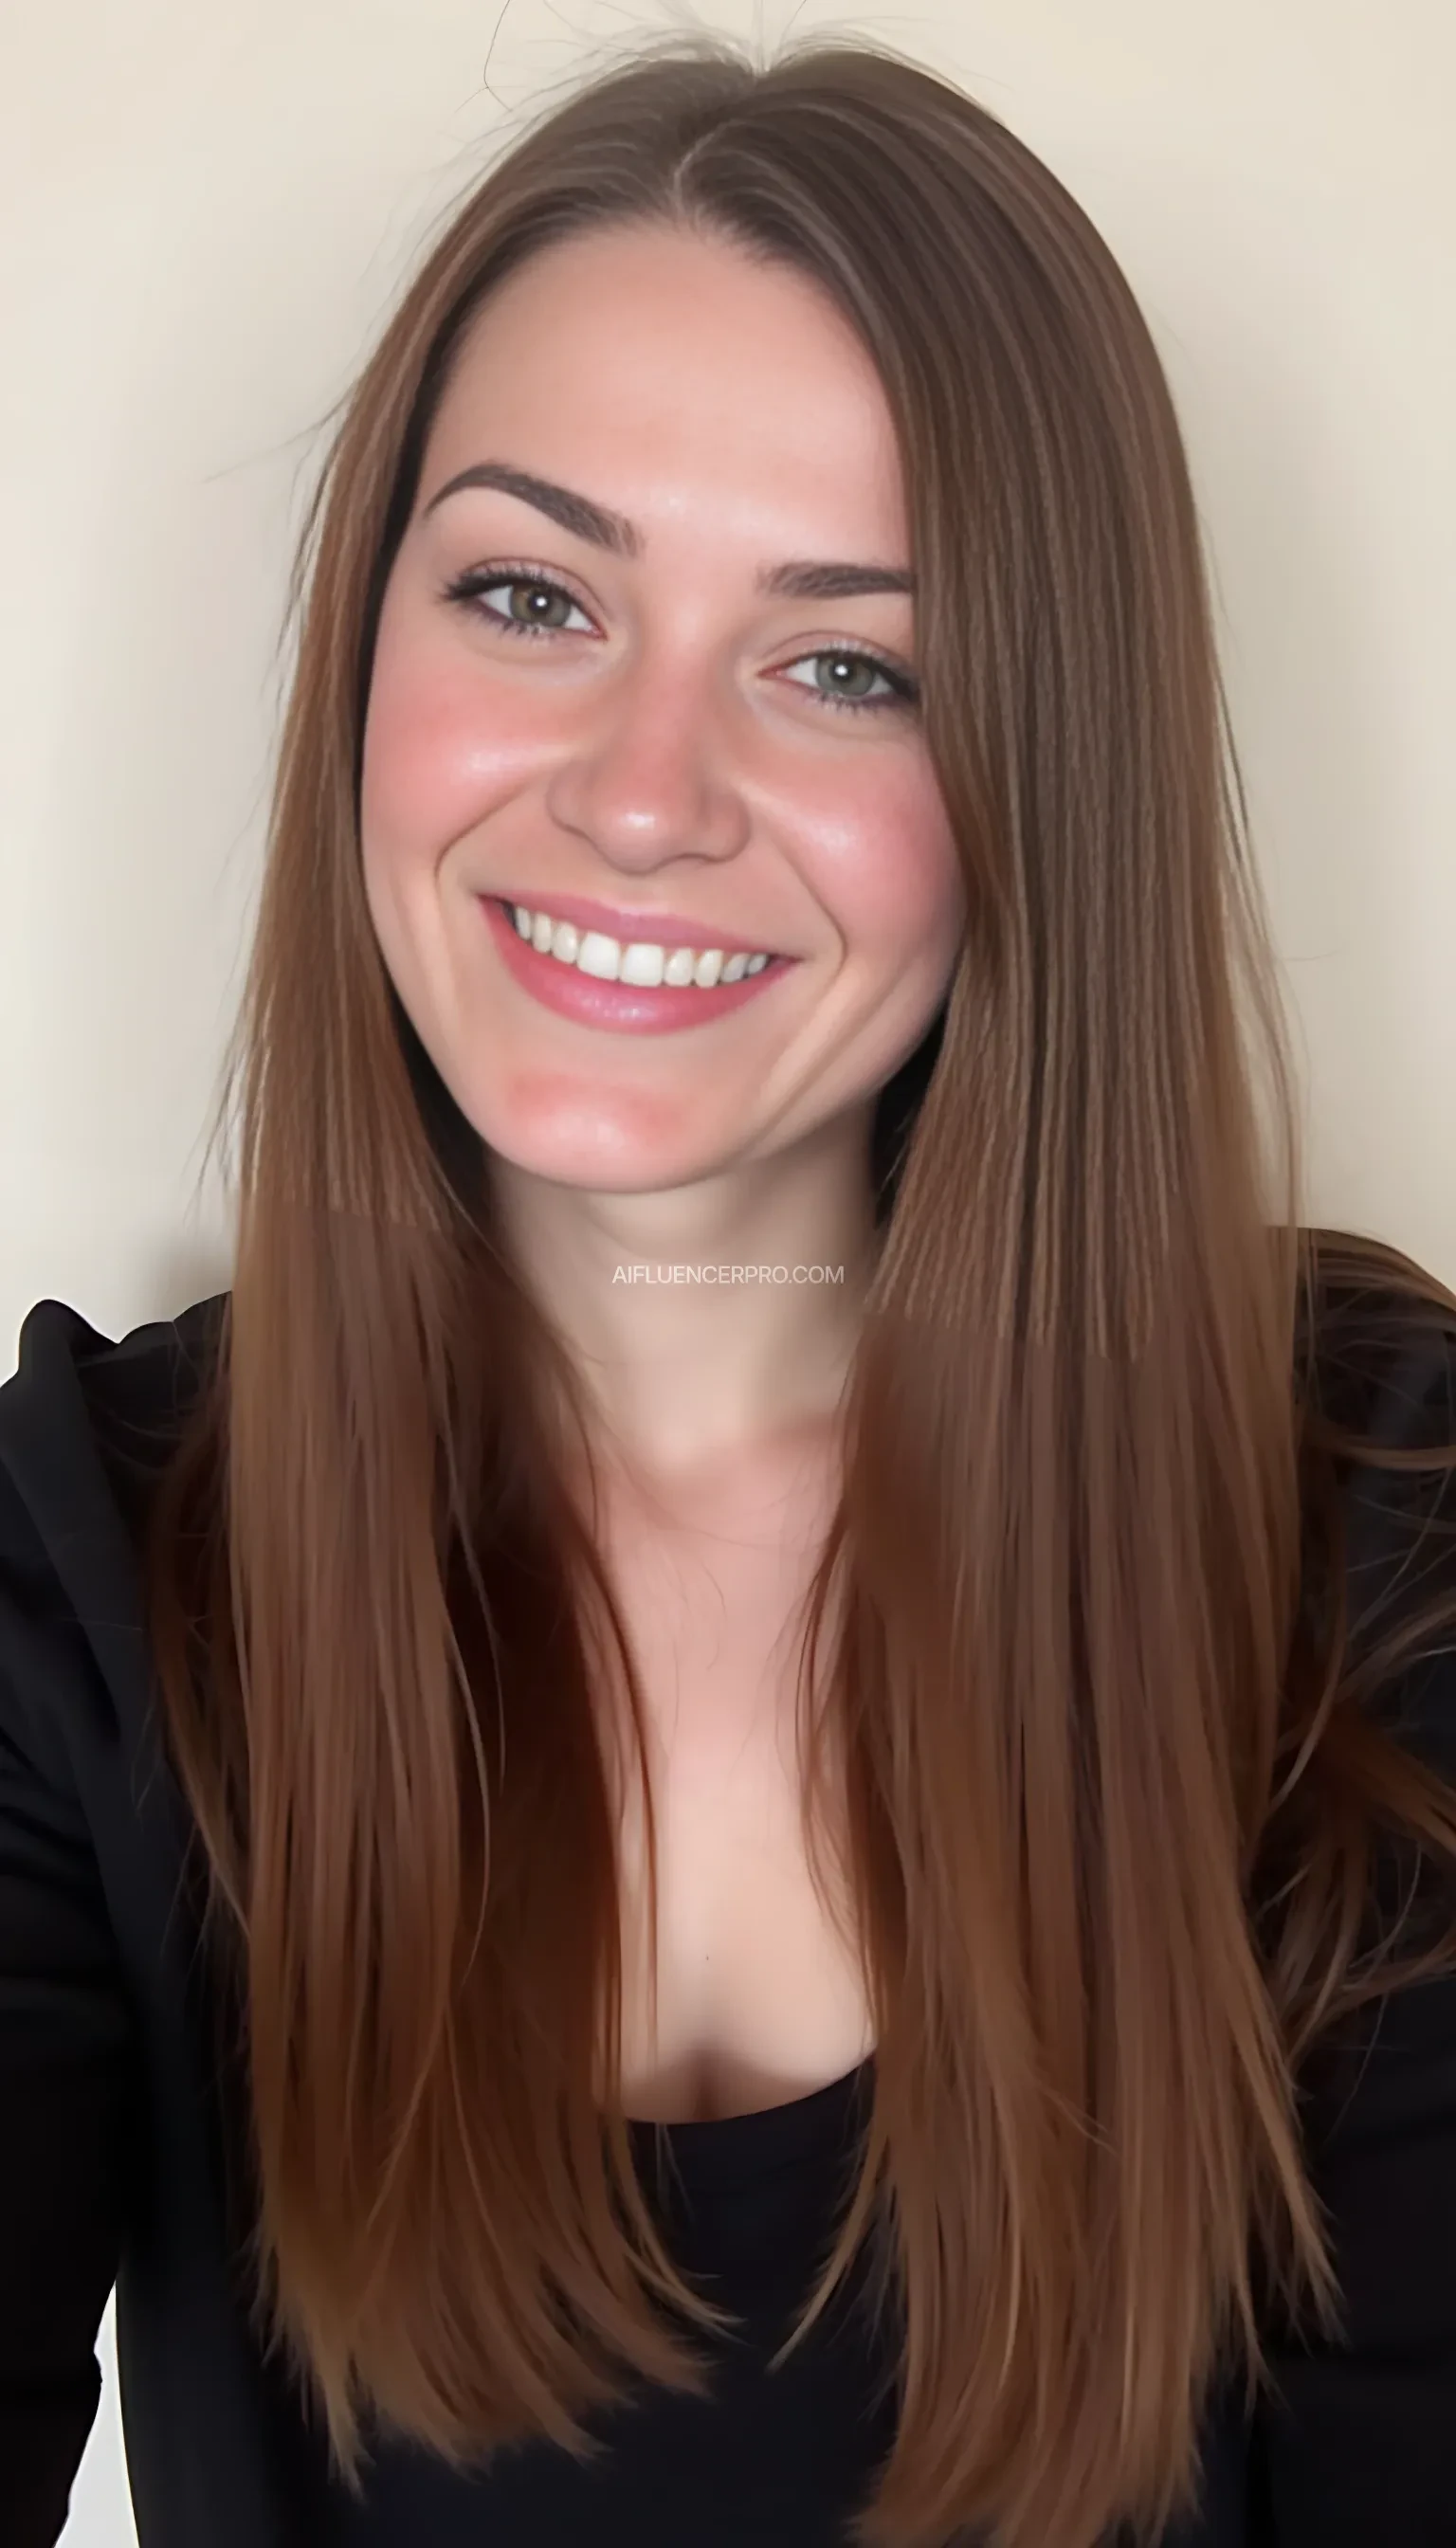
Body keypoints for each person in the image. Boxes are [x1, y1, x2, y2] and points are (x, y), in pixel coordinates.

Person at [2, 28, 1454, 2548]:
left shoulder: (1385, 1536)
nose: (644, 791)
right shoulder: (83, 1583)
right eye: (531, 594)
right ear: (367, 660)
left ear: (1036, 782)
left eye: (844, 661)